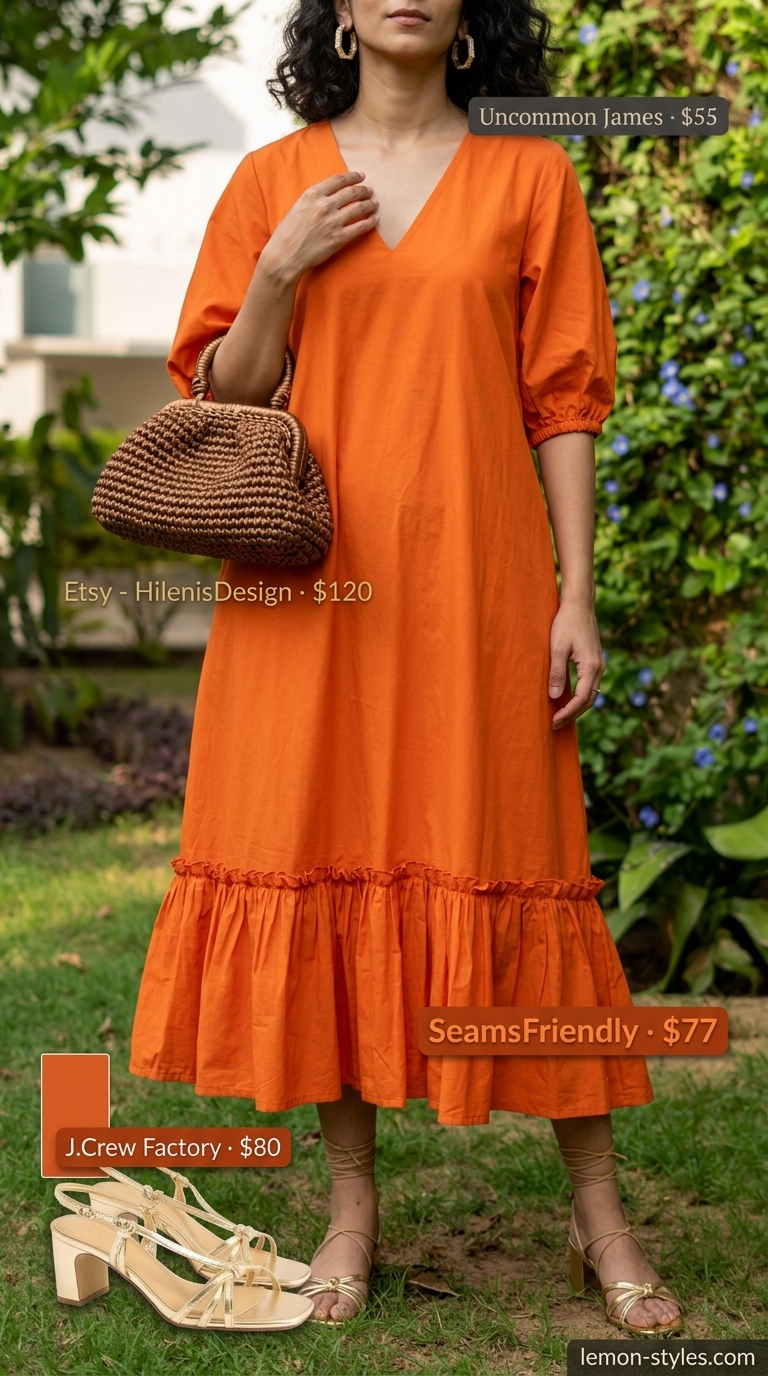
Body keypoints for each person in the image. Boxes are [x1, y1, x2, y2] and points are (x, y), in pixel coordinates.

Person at [129, 0, 683, 1335]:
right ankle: (351, 1207)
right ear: (336, 11)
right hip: (307, 600)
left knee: (530, 866)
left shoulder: (532, 173)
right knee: (327, 863)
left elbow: (563, 402)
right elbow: (226, 401)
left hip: (477, 592)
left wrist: (578, 597)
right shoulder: (271, 181)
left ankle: (599, 1208)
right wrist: (276, 274)